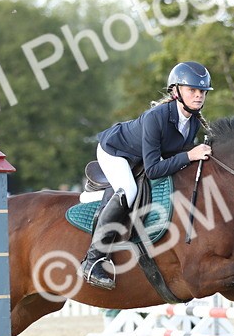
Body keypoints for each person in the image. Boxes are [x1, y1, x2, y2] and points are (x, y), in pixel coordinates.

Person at [80, 61, 213, 289]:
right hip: (115, 151)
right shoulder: (157, 117)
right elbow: (153, 170)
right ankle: (92, 261)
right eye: (193, 90)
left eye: (202, 91)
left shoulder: (192, 122)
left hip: (139, 155)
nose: (199, 96)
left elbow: (175, 154)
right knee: (129, 191)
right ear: (176, 91)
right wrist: (190, 156)